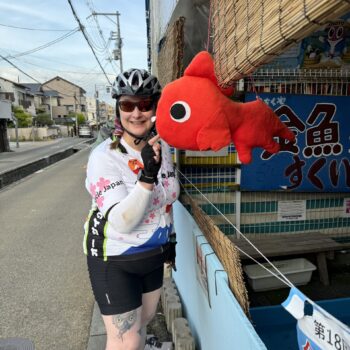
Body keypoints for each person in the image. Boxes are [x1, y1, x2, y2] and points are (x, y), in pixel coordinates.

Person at [84, 68, 180, 350]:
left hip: (152, 256)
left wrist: (171, 240)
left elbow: (167, 200)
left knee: (145, 320)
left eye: (145, 104)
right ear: (118, 109)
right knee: (124, 339)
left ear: (155, 108)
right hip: (114, 259)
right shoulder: (105, 157)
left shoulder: (163, 149)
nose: (136, 113)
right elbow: (122, 222)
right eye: (128, 104)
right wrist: (147, 176)